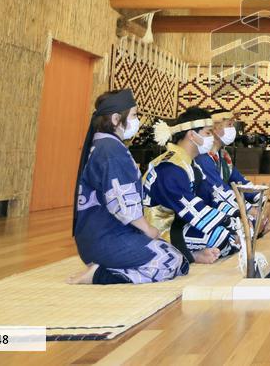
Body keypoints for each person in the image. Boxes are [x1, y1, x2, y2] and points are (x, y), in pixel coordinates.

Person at [68, 89, 188, 285]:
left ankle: (106, 266)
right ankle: (100, 275)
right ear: (116, 119)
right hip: (107, 239)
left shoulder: (104, 145)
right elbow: (123, 202)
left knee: (169, 252)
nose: (137, 120)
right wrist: (148, 229)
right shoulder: (112, 150)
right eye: (133, 115)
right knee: (172, 260)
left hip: (97, 237)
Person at [142, 108, 242, 264]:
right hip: (160, 229)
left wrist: (239, 217)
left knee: (237, 232)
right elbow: (192, 208)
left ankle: (192, 254)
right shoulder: (169, 167)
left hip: (181, 221)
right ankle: (190, 255)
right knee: (221, 237)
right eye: (208, 133)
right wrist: (229, 223)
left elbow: (212, 197)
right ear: (191, 135)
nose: (212, 138)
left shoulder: (190, 164)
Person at [195, 110, 270, 237]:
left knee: (257, 217)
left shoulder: (223, 155)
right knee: (251, 221)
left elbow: (240, 182)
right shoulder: (202, 159)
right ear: (214, 129)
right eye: (229, 125)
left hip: (221, 205)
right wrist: (249, 210)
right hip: (206, 210)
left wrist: (264, 201)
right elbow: (221, 191)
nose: (233, 129)